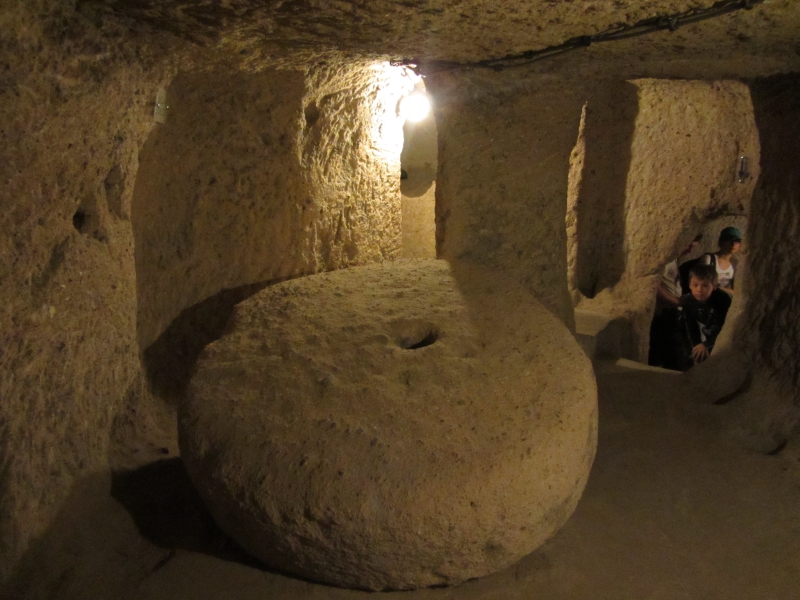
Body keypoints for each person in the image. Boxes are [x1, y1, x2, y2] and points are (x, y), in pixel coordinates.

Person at [648, 234, 703, 367]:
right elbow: (654, 285)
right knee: (676, 359)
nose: (690, 250)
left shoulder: (674, 260)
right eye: (689, 246)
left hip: (670, 314)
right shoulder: (668, 261)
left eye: (693, 247)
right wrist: (677, 301)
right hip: (664, 314)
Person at [665, 263, 731, 371]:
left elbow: (724, 327)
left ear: (714, 286)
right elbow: (691, 326)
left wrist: (706, 344)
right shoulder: (688, 301)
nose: (699, 289)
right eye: (695, 285)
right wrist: (696, 346)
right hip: (708, 333)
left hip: (724, 336)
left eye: (705, 286)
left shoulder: (722, 300)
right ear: (690, 285)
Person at [701, 226, 742, 296]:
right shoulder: (709, 258)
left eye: (737, 241)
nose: (733, 244)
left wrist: (720, 288)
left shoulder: (735, 263)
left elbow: (736, 292)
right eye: (729, 240)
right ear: (721, 242)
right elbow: (702, 282)